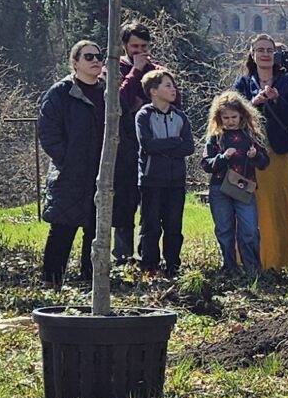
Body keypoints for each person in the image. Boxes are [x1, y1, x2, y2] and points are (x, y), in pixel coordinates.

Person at [234, 33, 288, 273]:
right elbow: (231, 116)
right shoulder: (242, 84)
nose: (265, 54)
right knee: (262, 207)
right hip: (251, 156)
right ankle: (262, 260)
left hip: (280, 153)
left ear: (276, 55)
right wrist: (253, 103)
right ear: (252, 54)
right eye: (260, 50)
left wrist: (277, 101)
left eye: (269, 50)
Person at [36, 41, 108, 291]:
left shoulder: (108, 93)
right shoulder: (61, 92)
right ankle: (52, 280)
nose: (95, 60)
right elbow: (47, 130)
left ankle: (92, 280)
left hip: (101, 172)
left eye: (99, 56)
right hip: (69, 173)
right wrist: (66, 158)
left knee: (96, 229)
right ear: (75, 62)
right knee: (62, 228)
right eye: (88, 56)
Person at [110, 22, 165, 263]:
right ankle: (122, 257)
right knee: (124, 204)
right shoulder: (113, 70)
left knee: (151, 208)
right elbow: (116, 103)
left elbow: (173, 103)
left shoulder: (159, 72)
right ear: (124, 46)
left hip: (154, 151)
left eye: (144, 46)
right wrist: (135, 73)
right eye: (134, 46)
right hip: (124, 150)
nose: (139, 51)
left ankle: (148, 257)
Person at [132, 68, 194, 277]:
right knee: (150, 225)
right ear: (153, 91)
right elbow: (147, 145)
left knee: (173, 225)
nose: (173, 89)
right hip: (151, 180)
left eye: (173, 85)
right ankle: (150, 266)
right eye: (167, 85)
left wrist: (165, 146)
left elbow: (188, 147)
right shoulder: (144, 115)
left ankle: (173, 266)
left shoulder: (180, 116)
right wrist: (173, 143)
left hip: (176, 181)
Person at [201, 90, 270, 276]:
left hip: (244, 187)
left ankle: (252, 269)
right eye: (226, 118)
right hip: (219, 188)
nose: (230, 121)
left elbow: (265, 163)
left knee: (249, 230)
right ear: (219, 118)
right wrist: (223, 157)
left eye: (234, 117)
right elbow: (206, 165)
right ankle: (229, 267)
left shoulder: (251, 136)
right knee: (224, 228)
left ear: (242, 116)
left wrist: (255, 156)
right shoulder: (215, 138)